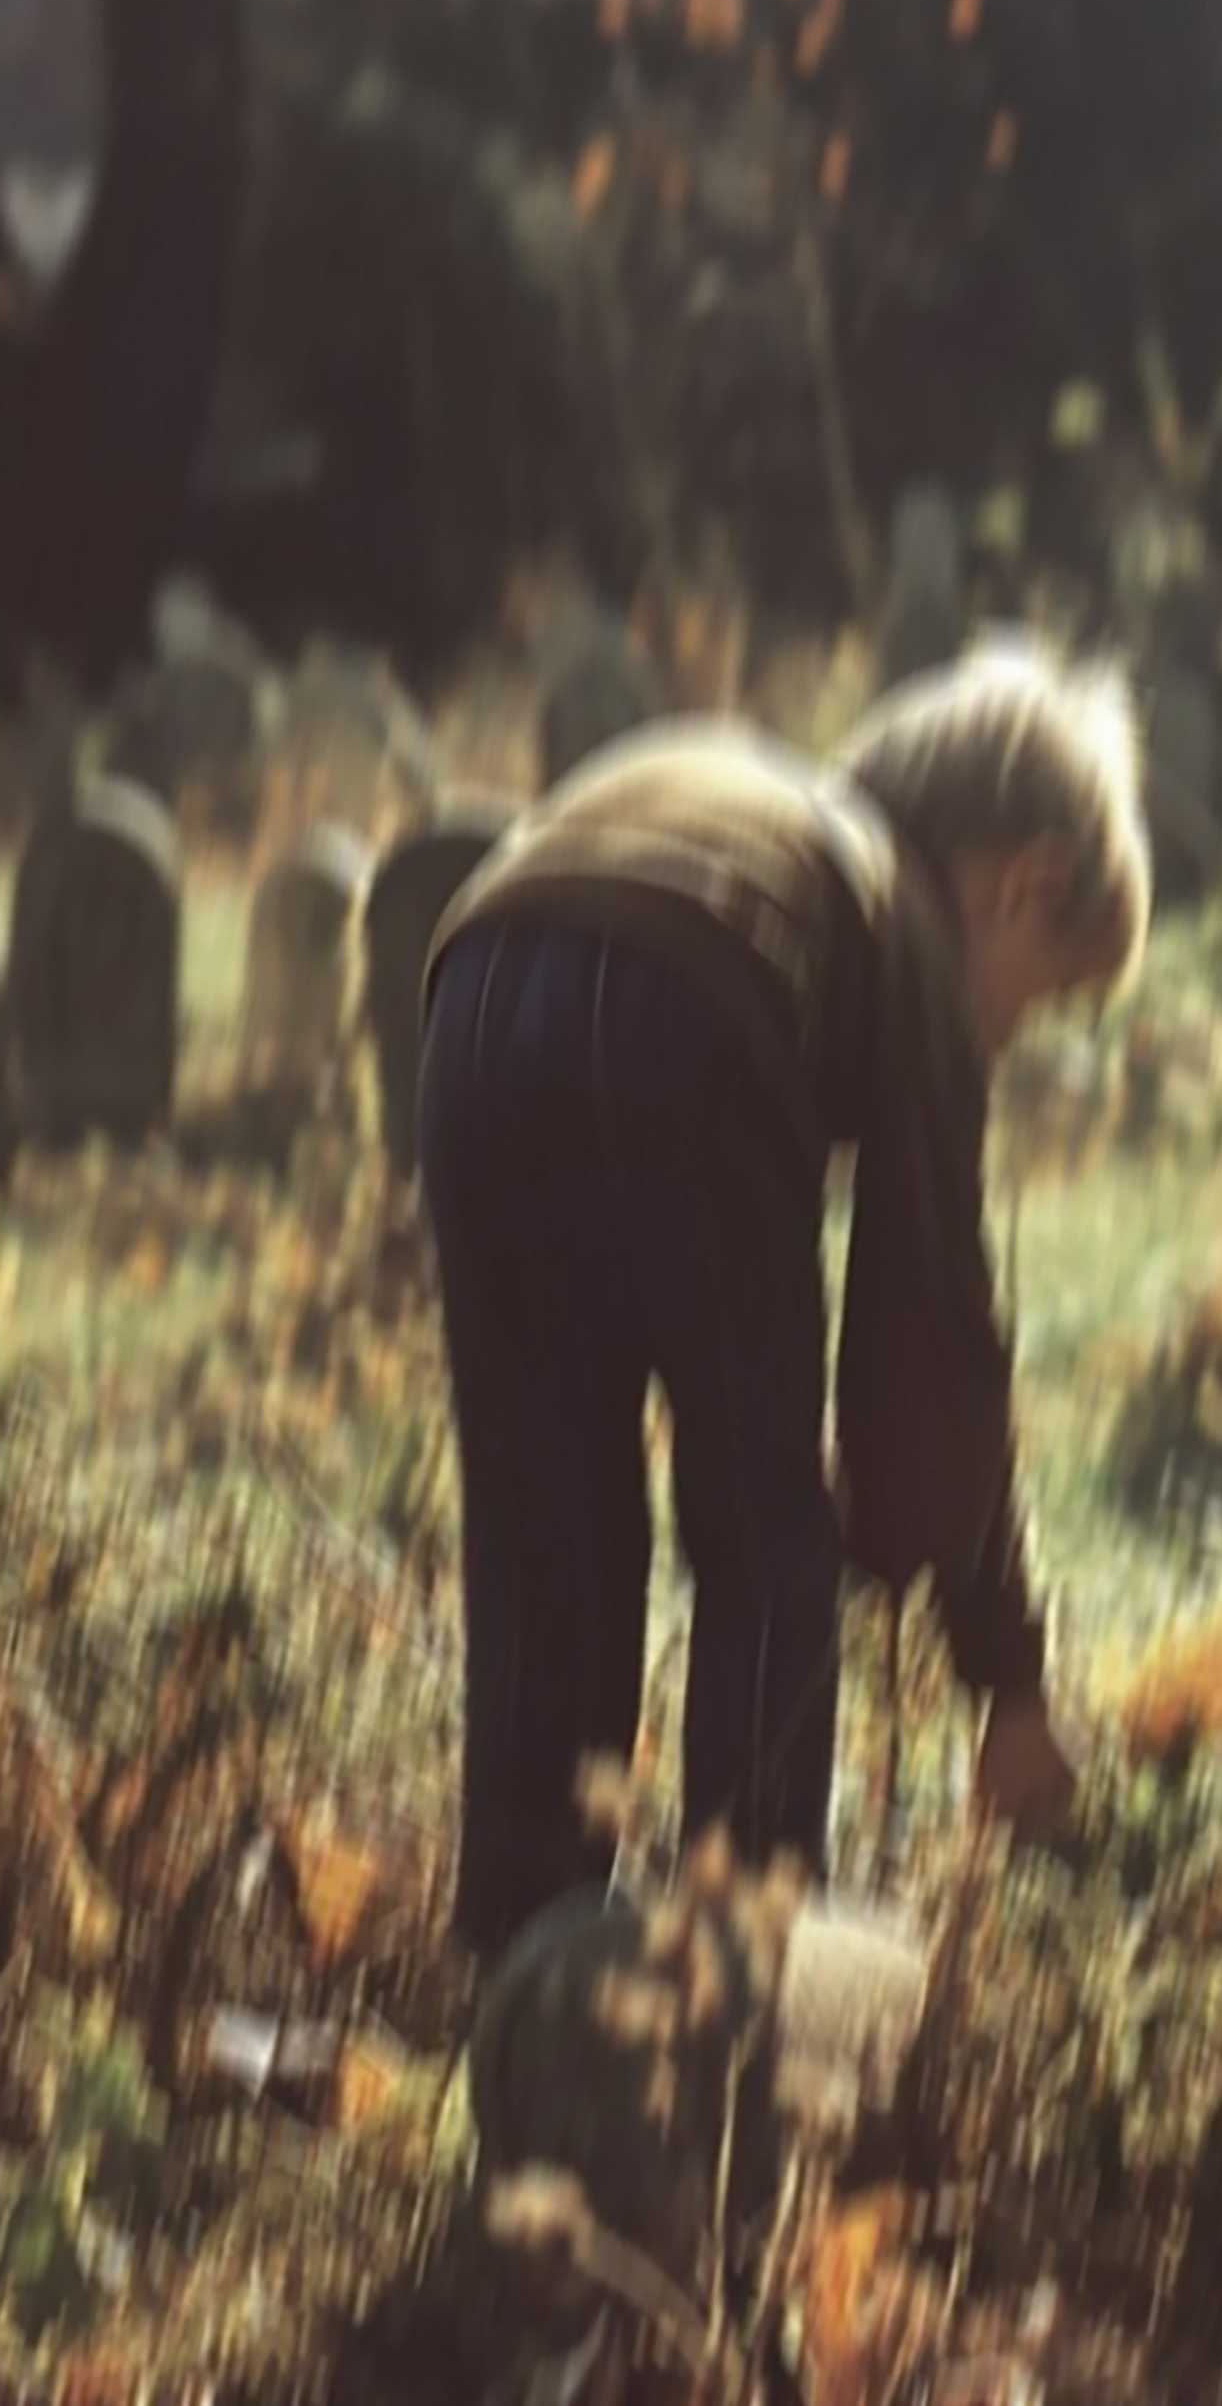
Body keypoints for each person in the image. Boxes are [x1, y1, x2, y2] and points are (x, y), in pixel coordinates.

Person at [418, 642, 1150, 1963]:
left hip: (471, 996)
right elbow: (937, 1342)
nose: (1007, 1043)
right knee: (764, 1532)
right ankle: (740, 1955)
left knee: (546, 1521)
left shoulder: (790, 827)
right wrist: (1008, 1675)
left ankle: (523, 1946)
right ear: (1024, 887)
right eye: (1041, 1004)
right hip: (686, 1006)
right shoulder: (909, 921)